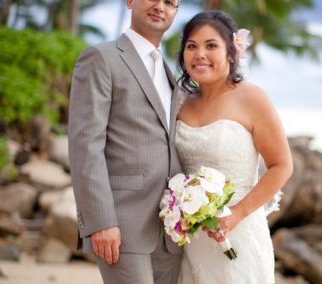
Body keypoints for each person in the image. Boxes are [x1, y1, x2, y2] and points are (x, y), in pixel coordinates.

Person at [68, 0, 182, 283]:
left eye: (170, 2)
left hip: (172, 232)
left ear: (176, 12)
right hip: (122, 225)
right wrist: (101, 221)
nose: (160, 6)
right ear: (130, 1)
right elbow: (85, 146)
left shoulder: (173, 75)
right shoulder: (100, 58)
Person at [175, 10, 293, 283]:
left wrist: (236, 213)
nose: (199, 54)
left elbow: (282, 165)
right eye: (191, 46)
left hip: (238, 232)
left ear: (231, 53)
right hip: (191, 240)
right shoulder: (180, 103)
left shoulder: (253, 98)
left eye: (211, 45)